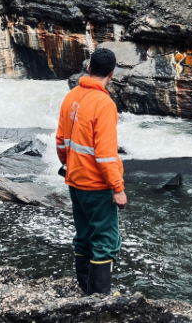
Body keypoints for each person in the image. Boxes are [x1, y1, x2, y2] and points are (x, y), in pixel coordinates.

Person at [56, 48, 127, 296]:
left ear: (88, 69)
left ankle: (85, 291)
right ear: (112, 73)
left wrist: (70, 164)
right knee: (105, 242)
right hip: (97, 186)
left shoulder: (71, 97)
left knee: (84, 236)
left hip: (74, 181)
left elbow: (60, 141)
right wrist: (117, 188)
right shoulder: (104, 104)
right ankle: (99, 300)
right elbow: (106, 154)